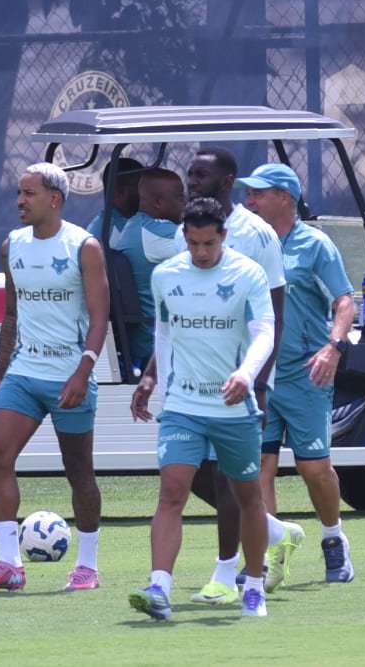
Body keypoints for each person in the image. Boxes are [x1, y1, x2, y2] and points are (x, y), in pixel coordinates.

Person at [0, 162, 110, 593]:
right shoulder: (13, 246)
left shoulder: (83, 246)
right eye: (18, 193)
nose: (19, 201)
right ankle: (9, 564)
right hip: (23, 373)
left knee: (79, 471)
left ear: (55, 199)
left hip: (70, 375)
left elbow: (101, 316)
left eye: (29, 193)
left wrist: (83, 371)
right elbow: (11, 314)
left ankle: (87, 567)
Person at [128, 197, 275, 619]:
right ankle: (159, 588)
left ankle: (254, 586)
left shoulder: (248, 274)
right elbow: (164, 332)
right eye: (192, 243)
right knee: (172, 491)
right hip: (184, 406)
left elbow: (265, 331)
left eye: (208, 243)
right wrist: (158, 384)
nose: (200, 252)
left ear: (223, 235)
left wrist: (246, 374)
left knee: (248, 497)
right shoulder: (166, 276)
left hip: (234, 407)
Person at [181, 147, 302, 603]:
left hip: (243, 377)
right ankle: (274, 531)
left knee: (224, 476)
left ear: (227, 181)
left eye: (201, 174)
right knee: (186, 471)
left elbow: (276, 312)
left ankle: (226, 574)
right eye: (190, 173)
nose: (192, 180)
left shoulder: (258, 235)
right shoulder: (188, 229)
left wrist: (261, 380)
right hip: (197, 375)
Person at [239, 162, 356, 583]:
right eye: (247, 193)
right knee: (259, 465)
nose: (248, 201)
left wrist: (334, 347)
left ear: (284, 198)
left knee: (313, 469)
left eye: (257, 193)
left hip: (308, 375)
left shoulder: (315, 244)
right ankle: (267, 555)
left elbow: (345, 301)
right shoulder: (246, 243)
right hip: (260, 377)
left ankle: (333, 539)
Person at [115, 168, 185, 368]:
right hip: (155, 342)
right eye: (180, 197)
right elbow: (215, 247)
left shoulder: (138, 226)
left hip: (150, 336)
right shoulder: (156, 235)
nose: (186, 202)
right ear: (158, 203)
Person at [86, 157, 143, 249]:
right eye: (142, 187)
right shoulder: (102, 231)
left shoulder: (139, 220)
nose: (147, 192)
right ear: (121, 193)